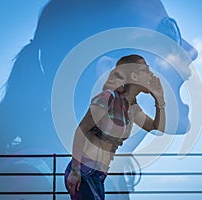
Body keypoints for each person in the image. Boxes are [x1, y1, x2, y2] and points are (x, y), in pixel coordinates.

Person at [0, 0, 198, 199]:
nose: (191, 50)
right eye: (168, 33)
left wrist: (160, 101)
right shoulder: (29, 184)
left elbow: (155, 124)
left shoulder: (114, 180)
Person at [65, 54, 165, 200]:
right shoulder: (108, 98)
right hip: (84, 171)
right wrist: (75, 171)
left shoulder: (132, 108)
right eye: (146, 71)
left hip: (98, 175)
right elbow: (82, 130)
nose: (151, 75)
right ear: (134, 77)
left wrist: (159, 100)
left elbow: (157, 128)